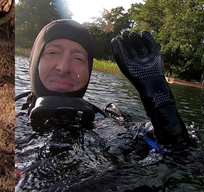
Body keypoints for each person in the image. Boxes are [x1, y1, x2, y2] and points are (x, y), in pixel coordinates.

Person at [15, 20, 193, 149]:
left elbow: (183, 160)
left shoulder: (111, 123)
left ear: (89, 72)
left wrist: (156, 92)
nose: (64, 67)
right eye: (52, 52)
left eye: (78, 58)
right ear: (34, 62)